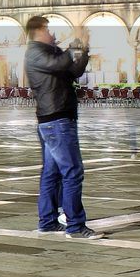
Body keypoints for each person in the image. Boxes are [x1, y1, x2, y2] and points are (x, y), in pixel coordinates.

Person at [25, 16, 100, 238]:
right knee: (73, 172)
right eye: (48, 29)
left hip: (56, 118)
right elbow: (59, 64)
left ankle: (47, 221)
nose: (53, 34)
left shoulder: (50, 51)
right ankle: (76, 226)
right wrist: (75, 42)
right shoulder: (36, 53)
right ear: (38, 30)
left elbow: (73, 71)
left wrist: (83, 49)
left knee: (52, 172)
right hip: (56, 120)